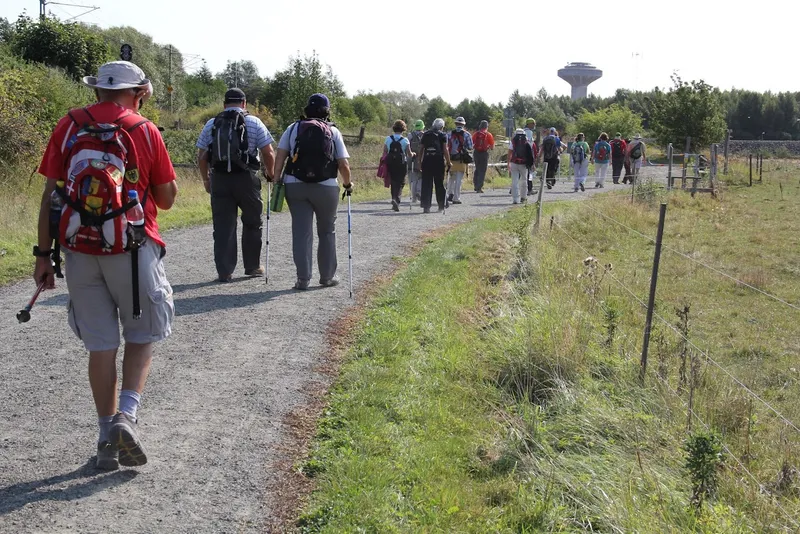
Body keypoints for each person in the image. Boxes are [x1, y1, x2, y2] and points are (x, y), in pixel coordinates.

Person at [33, 61, 178, 470]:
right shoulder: (143, 129)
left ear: (97, 91)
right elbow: (165, 200)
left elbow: (51, 195)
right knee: (142, 333)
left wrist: (43, 256)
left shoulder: (68, 125)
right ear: (139, 92)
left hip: (79, 249)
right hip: (132, 249)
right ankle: (126, 418)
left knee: (100, 345)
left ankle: (104, 437)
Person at [273, 93, 352, 290]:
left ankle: (302, 279)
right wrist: (348, 184)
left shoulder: (292, 129)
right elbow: (343, 163)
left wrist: (276, 180)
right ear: (327, 111)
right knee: (326, 231)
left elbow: (280, 156)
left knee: (301, 232)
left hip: (295, 185)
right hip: (326, 186)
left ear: (307, 109)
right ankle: (326, 277)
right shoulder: (333, 132)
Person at [196, 88, 275, 282]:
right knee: (252, 222)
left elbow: (202, 155)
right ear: (244, 103)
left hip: (220, 179)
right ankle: (253, 267)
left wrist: (207, 179)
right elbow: (268, 152)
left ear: (224, 104)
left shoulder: (212, 123)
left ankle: (225, 271)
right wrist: (270, 174)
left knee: (223, 225)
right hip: (247, 179)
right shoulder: (254, 122)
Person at [418, 118, 452, 213]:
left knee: (426, 184)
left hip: (427, 160)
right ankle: (441, 206)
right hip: (438, 161)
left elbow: (421, 149)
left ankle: (426, 206)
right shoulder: (442, 135)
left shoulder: (426, 134)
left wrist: (419, 162)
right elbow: (445, 150)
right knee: (439, 184)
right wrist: (449, 162)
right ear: (441, 127)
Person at [383, 120, 415, 211]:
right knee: (401, 182)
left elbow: (385, 151)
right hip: (401, 163)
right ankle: (397, 199)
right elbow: (409, 154)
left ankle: (393, 198)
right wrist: (414, 154)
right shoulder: (405, 140)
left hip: (390, 162)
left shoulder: (388, 139)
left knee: (393, 181)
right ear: (403, 129)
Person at [446, 116, 473, 205]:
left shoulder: (449, 134)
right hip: (461, 159)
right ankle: (456, 198)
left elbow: (446, 146)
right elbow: (470, 147)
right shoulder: (467, 134)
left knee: (451, 178)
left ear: (455, 124)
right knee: (458, 179)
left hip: (451, 158)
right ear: (463, 124)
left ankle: (449, 193)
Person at [507, 128, 533, 204]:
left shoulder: (513, 141)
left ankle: (515, 199)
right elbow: (530, 153)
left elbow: (509, 152)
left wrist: (508, 163)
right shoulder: (526, 141)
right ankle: (523, 198)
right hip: (524, 164)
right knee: (524, 181)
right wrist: (531, 164)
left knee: (514, 181)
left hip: (514, 163)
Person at [472, 120, 495, 193]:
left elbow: (472, 143)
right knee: (483, 170)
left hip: (476, 153)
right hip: (484, 153)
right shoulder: (489, 134)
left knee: (477, 168)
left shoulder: (476, 134)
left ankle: (475, 185)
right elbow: (492, 147)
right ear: (487, 127)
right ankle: (479, 187)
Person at [407, 120, 425, 203]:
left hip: (411, 159)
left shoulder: (410, 135)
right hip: (422, 159)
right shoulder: (425, 135)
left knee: (412, 178)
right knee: (421, 177)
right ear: (422, 127)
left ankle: (413, 197)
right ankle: (419, 191)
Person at [523, 118, 538, 195]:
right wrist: (532, 158)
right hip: (527, 155)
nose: (534, 125)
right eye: (533, 123)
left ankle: (513, 188)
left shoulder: (522, 131)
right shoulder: (529, 132)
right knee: (530, 173)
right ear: (529, 124)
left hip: (520, 155)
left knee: (520, 173)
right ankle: (529, 189)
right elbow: (530, 146)